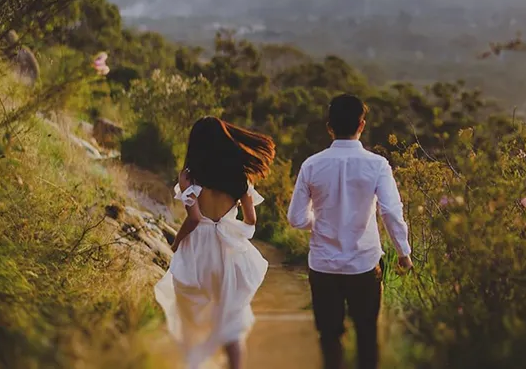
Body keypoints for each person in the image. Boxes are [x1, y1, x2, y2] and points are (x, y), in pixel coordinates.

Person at [287, 94, 412, 369]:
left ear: (329, 127)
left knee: (330, 338)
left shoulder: (311, 165)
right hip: (364, 265)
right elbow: (390, 212)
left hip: (323, 266)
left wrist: (320, 222)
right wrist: (403, 253)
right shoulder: (377, 165)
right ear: (362, 125)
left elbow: (296, 218)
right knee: (367, 336)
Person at [154, 117, 276, 369]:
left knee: (194, 315)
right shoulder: (240, 179)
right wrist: (232, 227)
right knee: (231, 320)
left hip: (199, 252)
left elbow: (194, 219)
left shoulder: (191, 180)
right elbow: (251, 220)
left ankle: (198, 363)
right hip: (228, 252)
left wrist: (175, 244)